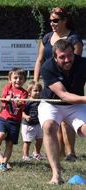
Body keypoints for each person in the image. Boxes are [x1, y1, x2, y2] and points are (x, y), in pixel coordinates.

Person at [34, 7, 83, 161]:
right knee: (53, 121)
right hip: (51, 79)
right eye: (50, 21)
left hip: (70, 84)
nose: (52, 23)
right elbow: (40, 60)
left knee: (67, 121)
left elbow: (74, 64)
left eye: (55, 20)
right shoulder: (47, 37)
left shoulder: (74, 39)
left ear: (64, 21)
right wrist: (35, 81)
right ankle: (60, 153)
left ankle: (70, 153)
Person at [39, 39, 86, 184]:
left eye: (70, 55)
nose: (67, 60)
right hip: (52, 104)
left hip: (76, 105)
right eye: (62, 57)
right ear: (54, 57)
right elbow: (64, 95)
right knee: (49, 126)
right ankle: (56, 175)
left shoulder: (83, 63)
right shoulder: (47, 67)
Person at [0, 68, 28, 171]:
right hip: (4, 118)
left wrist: (18, 102)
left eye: (21, 78)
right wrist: (7, 98)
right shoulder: (7, 87)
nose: (18, 80)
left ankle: (4, 163)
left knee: (9, 144)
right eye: (15, 78)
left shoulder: (24, 93)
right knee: (1, 134)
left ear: (24, 80)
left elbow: (22, 105)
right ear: (10, 79)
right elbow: (3, 98)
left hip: (15, 121)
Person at [21, 81, 45, 161]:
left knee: (40, 139)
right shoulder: (27, 101)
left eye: (40, 91)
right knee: (27, 141)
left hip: (38, 124)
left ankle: (37, 153)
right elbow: (21, 111)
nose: (38, 92)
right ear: (29, 92)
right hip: (28, 125)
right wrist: (25, 116)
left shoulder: (41, 101)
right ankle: (25, 155)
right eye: (35, 91)